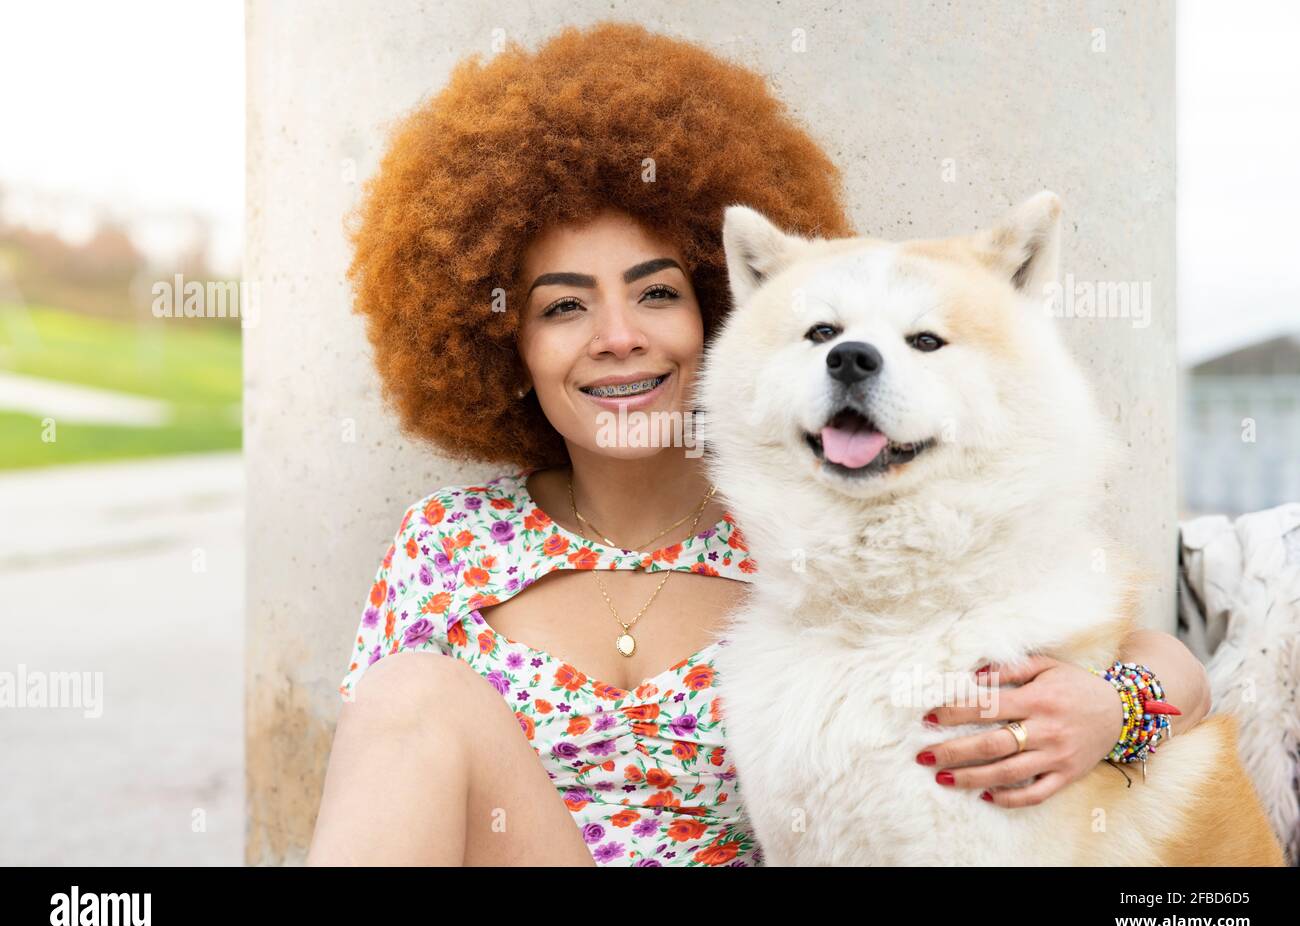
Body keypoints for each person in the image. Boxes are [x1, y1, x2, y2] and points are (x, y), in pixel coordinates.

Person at [307, 21, 1209, 867]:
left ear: (720, 314)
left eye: (657, 293)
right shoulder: (444, 548)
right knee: (409, 694)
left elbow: (1146, 655)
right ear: (505, 344)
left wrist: (1116, 711)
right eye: (565, 305)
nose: (618, 336)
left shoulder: (820, 521)